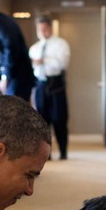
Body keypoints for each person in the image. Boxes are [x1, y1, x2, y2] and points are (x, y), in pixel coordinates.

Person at [29, 15, 71, 160]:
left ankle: (63, 151)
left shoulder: (61, 44)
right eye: (39, 30)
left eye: (44, 29)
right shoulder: (34, 48)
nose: (42, 32)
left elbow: (62, 64)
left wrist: (44, 61)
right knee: (42, 121)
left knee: (59, 119)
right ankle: (46, 154)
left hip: (56, 85)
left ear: (50, 28)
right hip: (40, 84)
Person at [0, 11, 35, 101]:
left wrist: (5, 77)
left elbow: (10, 47)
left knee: (15, 109)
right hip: (10, 78)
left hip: (17, 77)